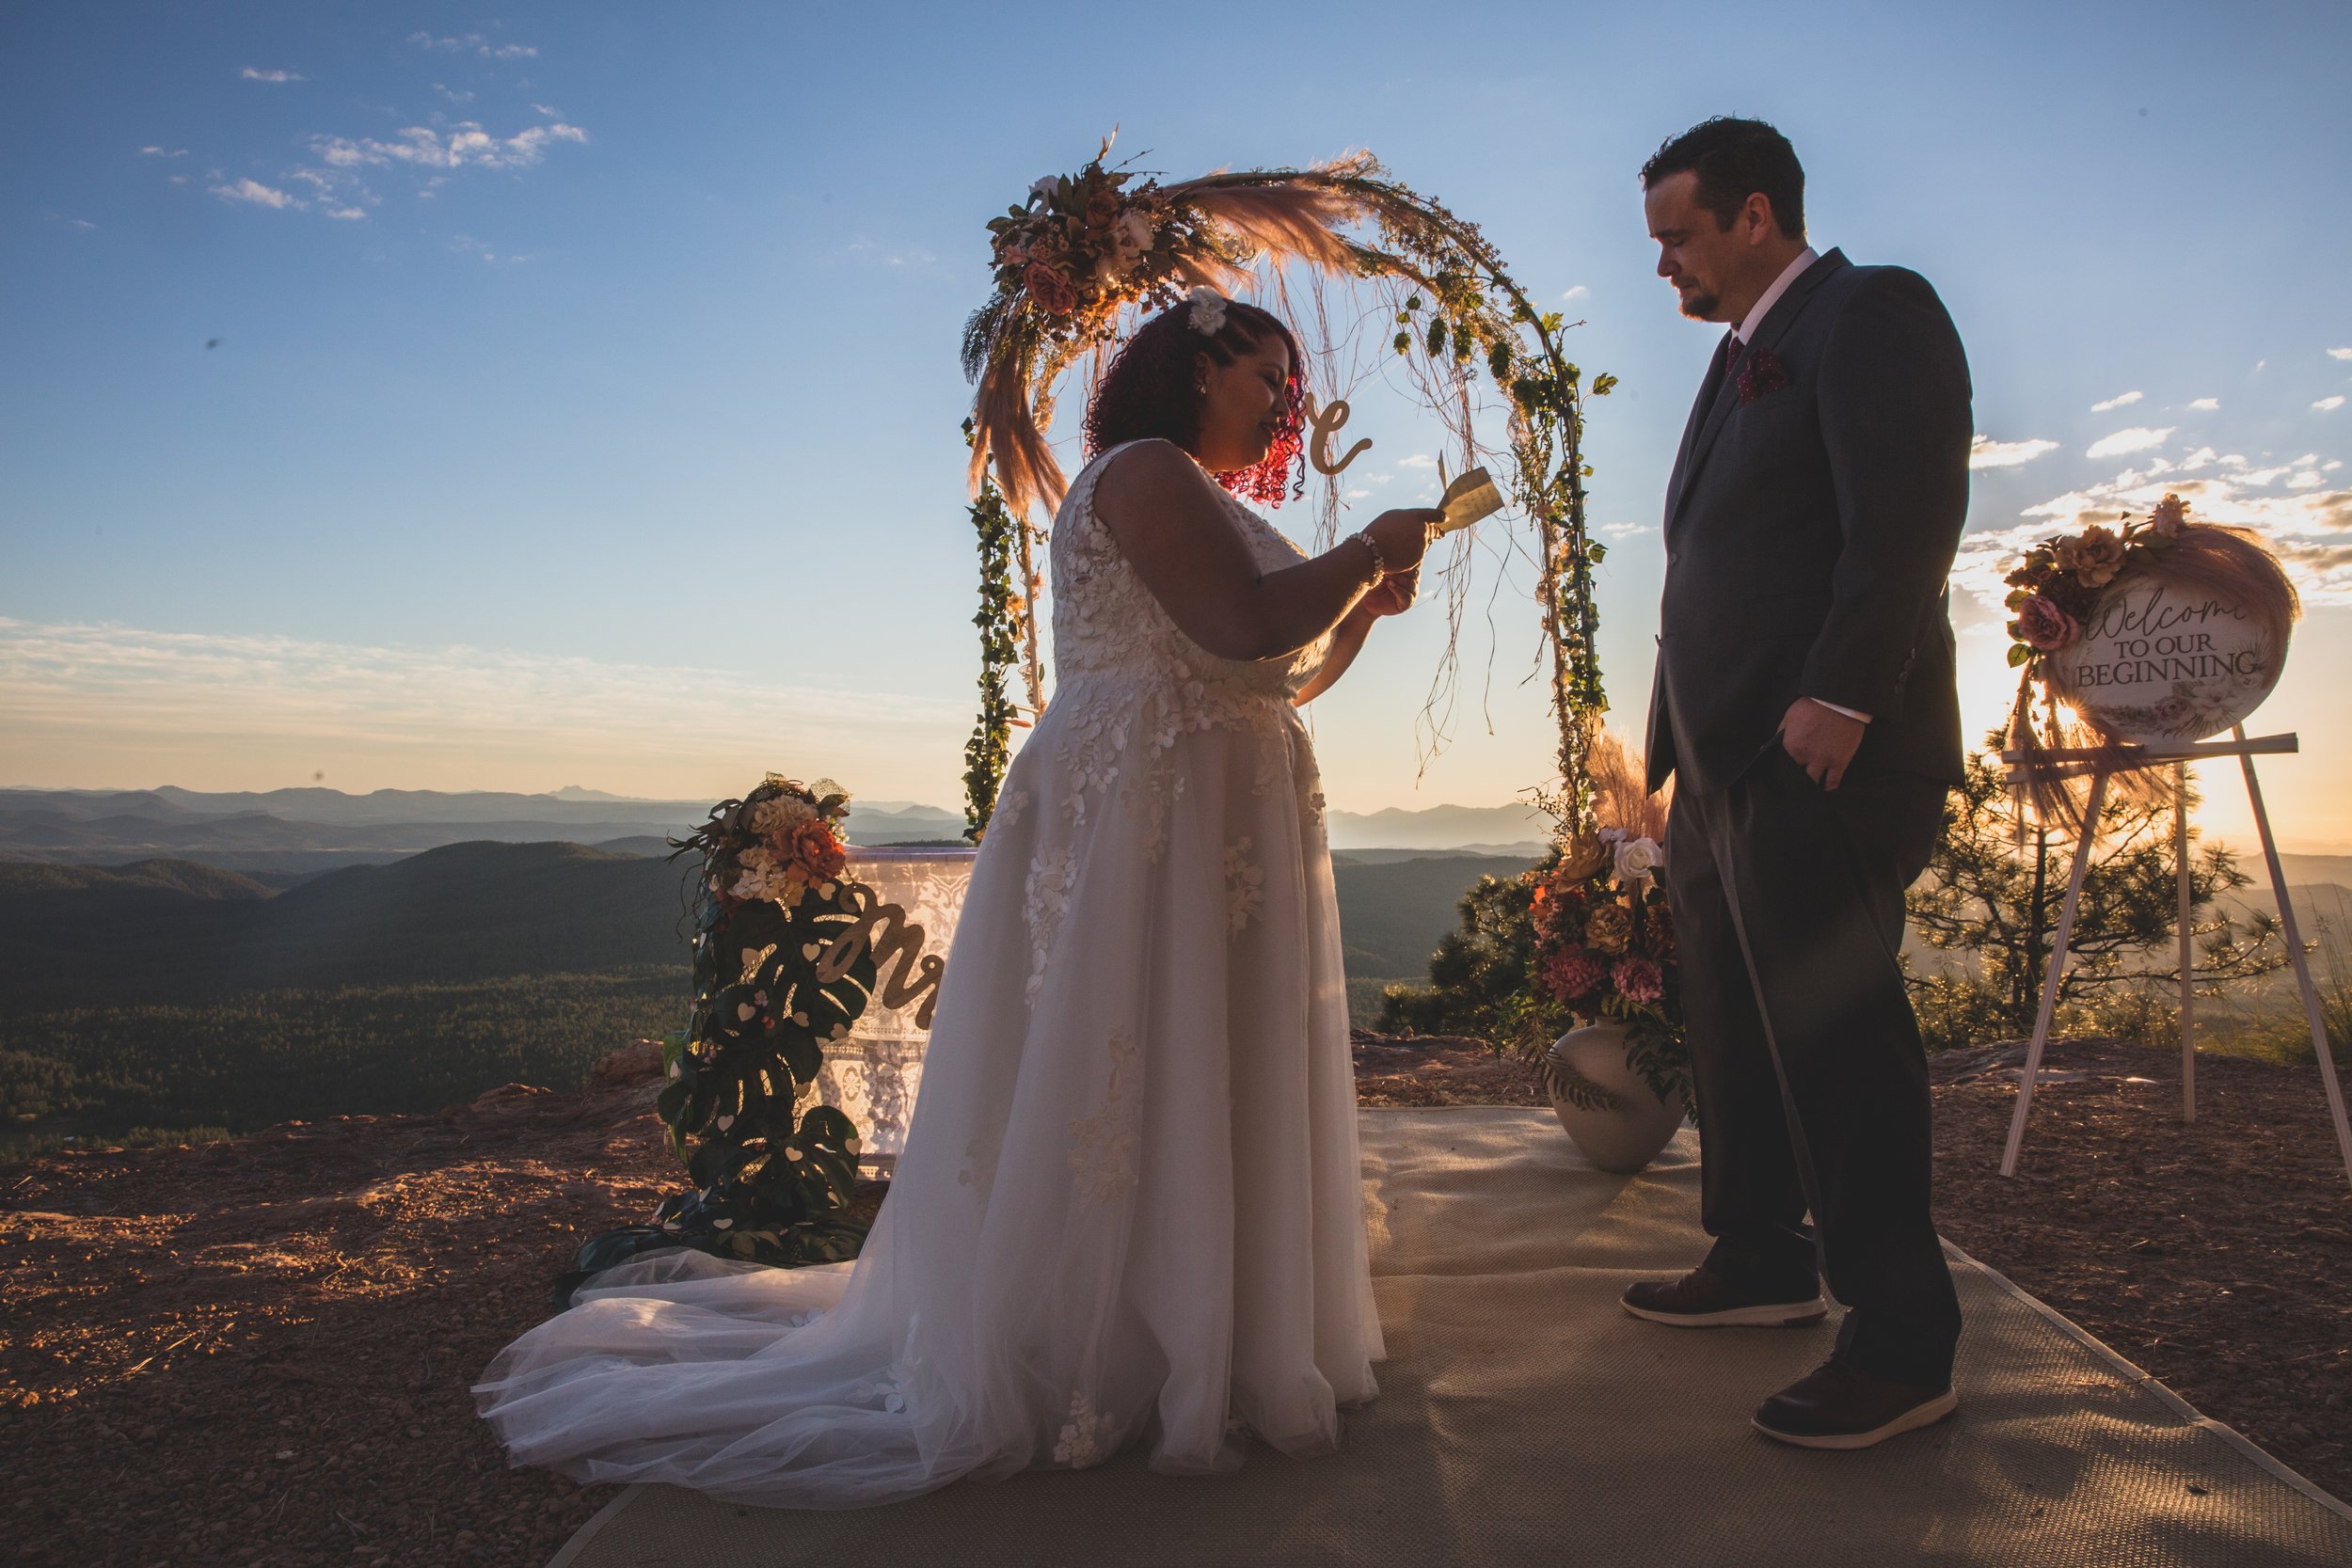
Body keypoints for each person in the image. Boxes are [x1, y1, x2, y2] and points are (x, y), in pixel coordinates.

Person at [474, 287, 1441, 1506]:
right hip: (1147, 817)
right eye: (1270, 377)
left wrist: (1358, 607)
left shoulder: (1200, 495)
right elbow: (1239, 622)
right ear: (1201, 369)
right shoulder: (1146, 470)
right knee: (1126, 1058)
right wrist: (1370, 549)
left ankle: (1209, 1322)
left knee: (1210, 1057)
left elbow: (1269, 680)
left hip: (1214, 820)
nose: (1284, 404)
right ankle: (1106, 1340)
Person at [1621, 118, 1973, 1449]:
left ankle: (1902, 1342)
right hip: (1718, 763)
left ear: (1754, 214)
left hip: (1826, 750)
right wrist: (1671, 755)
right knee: (1730, 1022)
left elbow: (1907, 514)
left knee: (1839, 1038)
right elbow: (1711, 560)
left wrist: (1844, 693)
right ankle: (1759, 1255)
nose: (1665, 266)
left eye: (1679, 237)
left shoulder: (1870, 314)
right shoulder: (1736, 362)